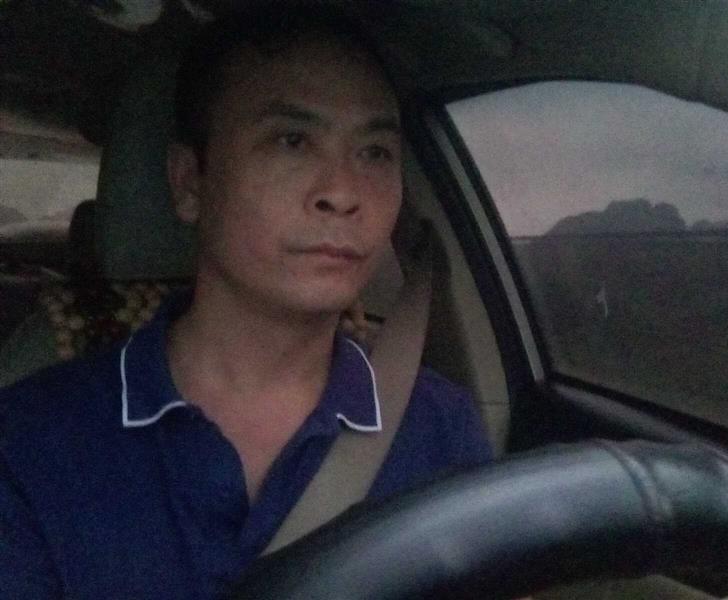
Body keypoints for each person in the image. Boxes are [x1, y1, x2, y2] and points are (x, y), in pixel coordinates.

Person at [0, 6, 492, 599]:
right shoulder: (28, 446)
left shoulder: (441, 427)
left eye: (375, 152)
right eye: (292, 141)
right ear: (190, 183)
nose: (342, 192)